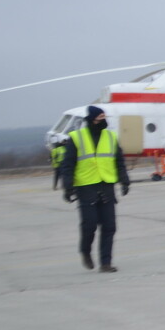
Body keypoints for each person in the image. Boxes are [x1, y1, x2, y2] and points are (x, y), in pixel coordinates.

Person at [61, 106, 130, 272]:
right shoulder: (76, 138)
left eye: (104, 118)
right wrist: (68, 187)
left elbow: (118, 162)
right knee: (89, 225)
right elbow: (67, 165)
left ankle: (105, 263)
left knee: (109, 227)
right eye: (100, 118)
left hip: (106, 186)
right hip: (86, 187)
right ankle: (85, 251)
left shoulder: (111, 137)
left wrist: (125, 181)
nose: (103, 121)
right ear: (91, 119)